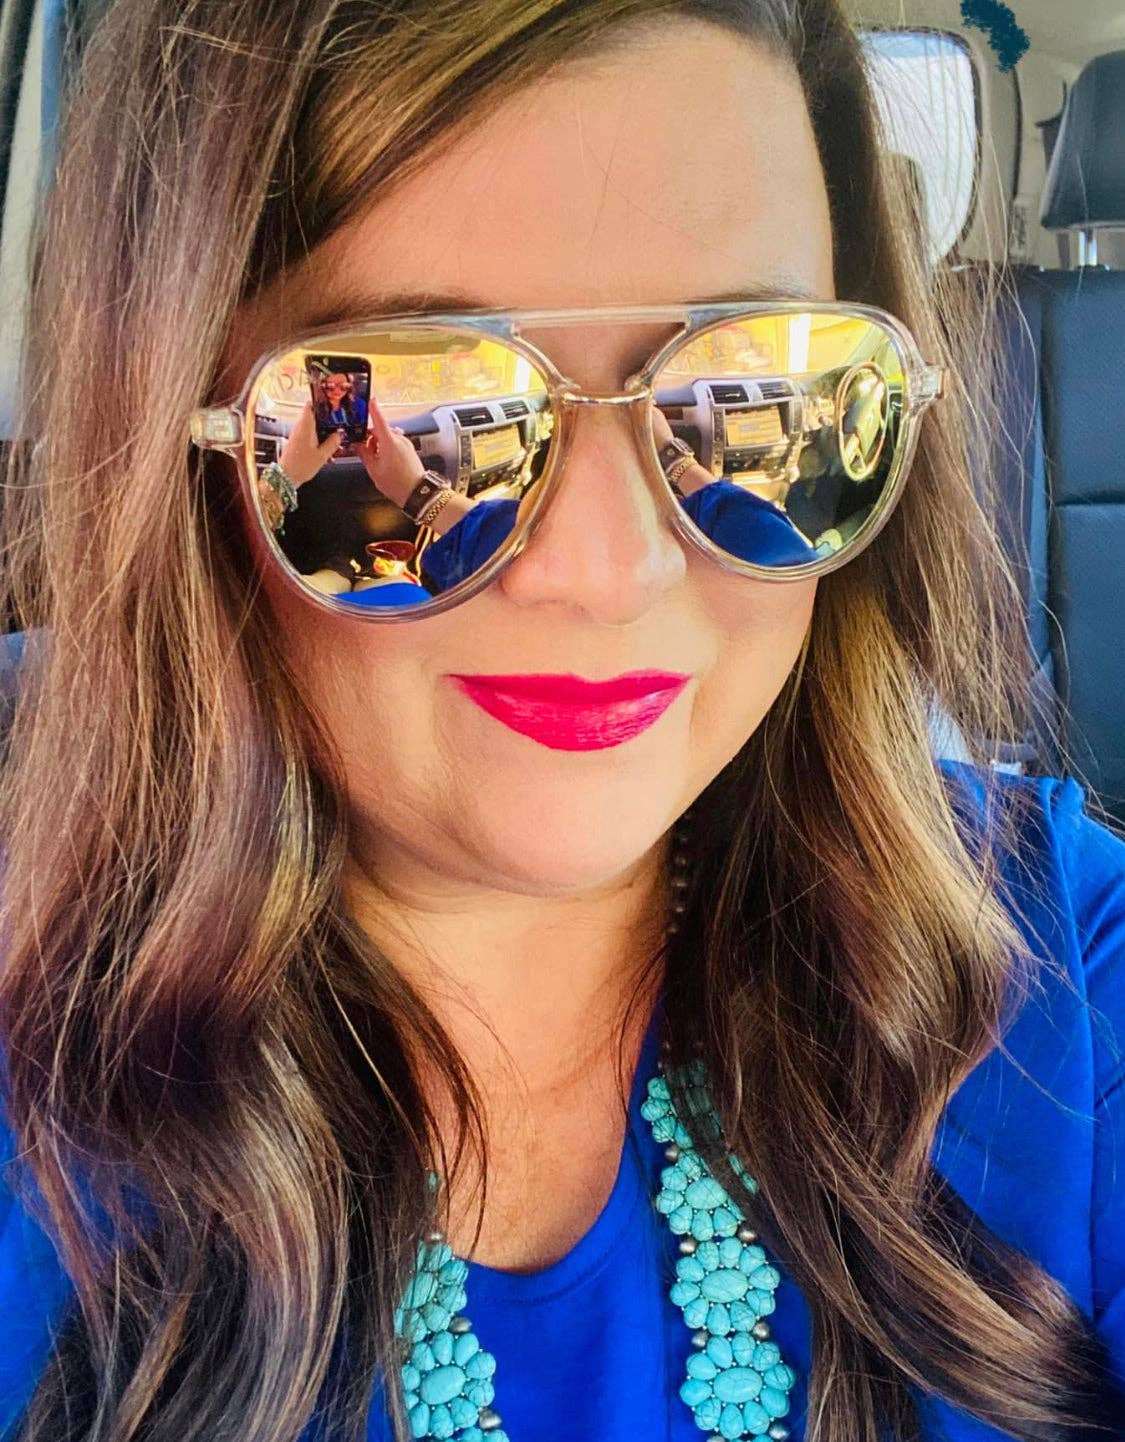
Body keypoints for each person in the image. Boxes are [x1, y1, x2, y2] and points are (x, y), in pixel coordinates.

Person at [0, 4, 1122, 1442]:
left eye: (751, 395)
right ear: (181, 449)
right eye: (413, 412)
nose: (610, 571)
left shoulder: (1046, 966)